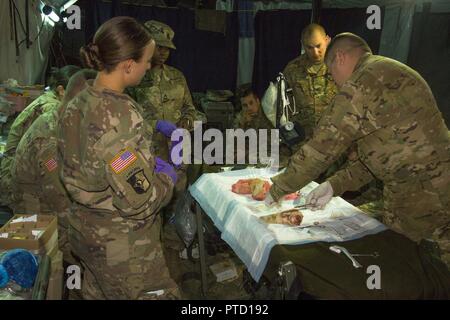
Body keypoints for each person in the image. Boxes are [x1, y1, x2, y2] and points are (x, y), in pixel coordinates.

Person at [267, 32, 450, 268]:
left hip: (421, 196)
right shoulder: (391, 69)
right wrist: (334, 184)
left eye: (332, 75)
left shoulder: (362, 81)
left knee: (416, 269)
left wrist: (279, 188)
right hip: (434, 183)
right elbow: (381, 155)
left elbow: (322, 147)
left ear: (340, 58)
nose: (335, 83)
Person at [57, 16, 180, 299]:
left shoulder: (79, 100)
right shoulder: (121, 115)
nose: (149, 66)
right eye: (146, 61)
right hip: (122, 248)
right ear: (128, 65)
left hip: (86, 233)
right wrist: (167, 177)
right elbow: (139, 202)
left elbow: (100, 152)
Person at [10, 69, 97, 266]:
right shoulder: (50, 138)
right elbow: (60, 198)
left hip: (47, 210)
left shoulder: (60, 119)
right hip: (38, 220)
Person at [0, 65, 80, 206]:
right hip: (15, 182)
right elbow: (50, 161)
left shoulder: (49, 99)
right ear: (62, 90)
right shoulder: (51, 109)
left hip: (19, 169)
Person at [282, 23, 337, 140]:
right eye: (310, 48)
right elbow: (283, 108)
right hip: (304, 140)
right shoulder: (293, 69)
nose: (315, 52)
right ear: (302, 44)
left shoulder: (340, 65)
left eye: (318, 46)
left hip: (334, 139)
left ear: (327, 40)